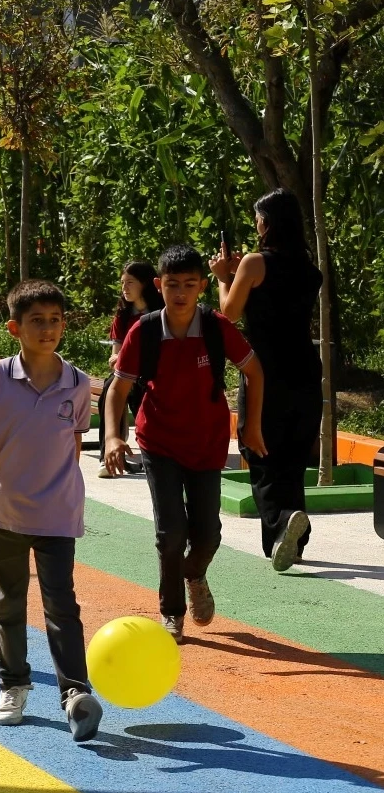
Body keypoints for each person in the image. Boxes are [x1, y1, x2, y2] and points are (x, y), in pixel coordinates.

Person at [105, 244, 267, 643]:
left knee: (208, 533)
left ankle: (194, 573)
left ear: (201, 287)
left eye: (190, 284)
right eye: (172, 284)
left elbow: (255, 372)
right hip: (158, 441)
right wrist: (112, 435)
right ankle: (172, 611)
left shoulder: (216, 327)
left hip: (208, 443)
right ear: (159, 286)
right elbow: (118, 389)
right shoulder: (144, 331)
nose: (180, 292)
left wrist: (252, 427)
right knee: (170, 532)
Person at [0, 280, 103, 742]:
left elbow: (74, 443)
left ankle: (75, 693)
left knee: (61, 604)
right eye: (36, 321)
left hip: (57, 513)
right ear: (14, 328)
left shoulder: (78, 383)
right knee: (9, 602)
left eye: (55, 320)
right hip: (4, 509)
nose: (48, 329)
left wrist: (61, 489)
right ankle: (13, 685)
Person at [211, 188, 324, 572]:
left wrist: (224, 276)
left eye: (259, 218)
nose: (256, 224)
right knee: (292, 456)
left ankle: (280, 526)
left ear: (268, 223)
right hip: (306, 369)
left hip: (264, 369)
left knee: (257, 449)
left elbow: (228, 312)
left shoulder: (255, 264)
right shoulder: (310, 270)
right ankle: (294, 539)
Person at [96, 261, 163, 476]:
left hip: (154, 372)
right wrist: (117, 359)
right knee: (109, 388)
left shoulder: (161, 311)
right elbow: (114, 354)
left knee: (141, 391)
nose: (124, 288)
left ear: (144, 284)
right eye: (122, 283)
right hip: (127, 372)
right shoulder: (122, 315)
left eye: (130, 283)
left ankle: (153, 452)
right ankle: (109, 453)